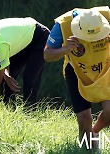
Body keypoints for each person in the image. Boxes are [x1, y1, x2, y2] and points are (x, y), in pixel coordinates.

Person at [44, 6, 110, 149]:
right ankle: (88, 148)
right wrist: (65, 49)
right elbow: (47, 55)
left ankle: (95, 131)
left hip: (104, 69)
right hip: (77, 72)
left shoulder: (107, 15)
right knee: (84, 120)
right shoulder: (62, 25)